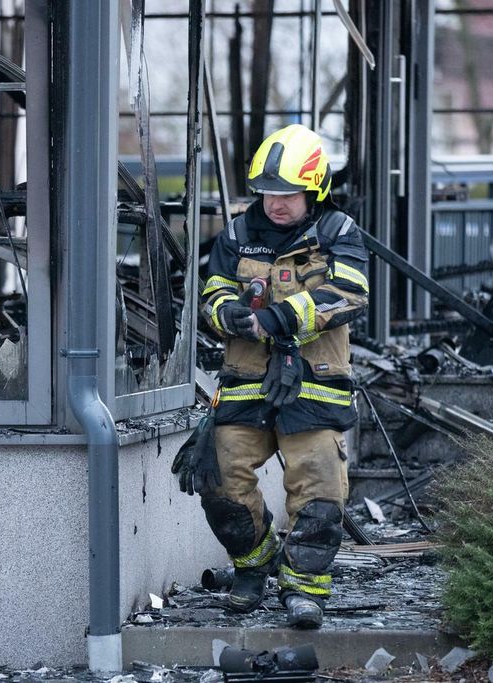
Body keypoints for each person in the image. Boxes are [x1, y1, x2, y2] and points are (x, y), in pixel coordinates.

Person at [187, 124, 369, 627]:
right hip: (246, 380)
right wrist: (228, 314)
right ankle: (255, 565)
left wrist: (281, 318)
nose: (276, 203)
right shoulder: (239, 233)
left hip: (315, 383)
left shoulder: (338, 234)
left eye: (287, 194)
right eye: (268, 193)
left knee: (319, 489)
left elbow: (349, 293)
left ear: (313, 191)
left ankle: (305, 588)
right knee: (220, 481)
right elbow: (213, 291)